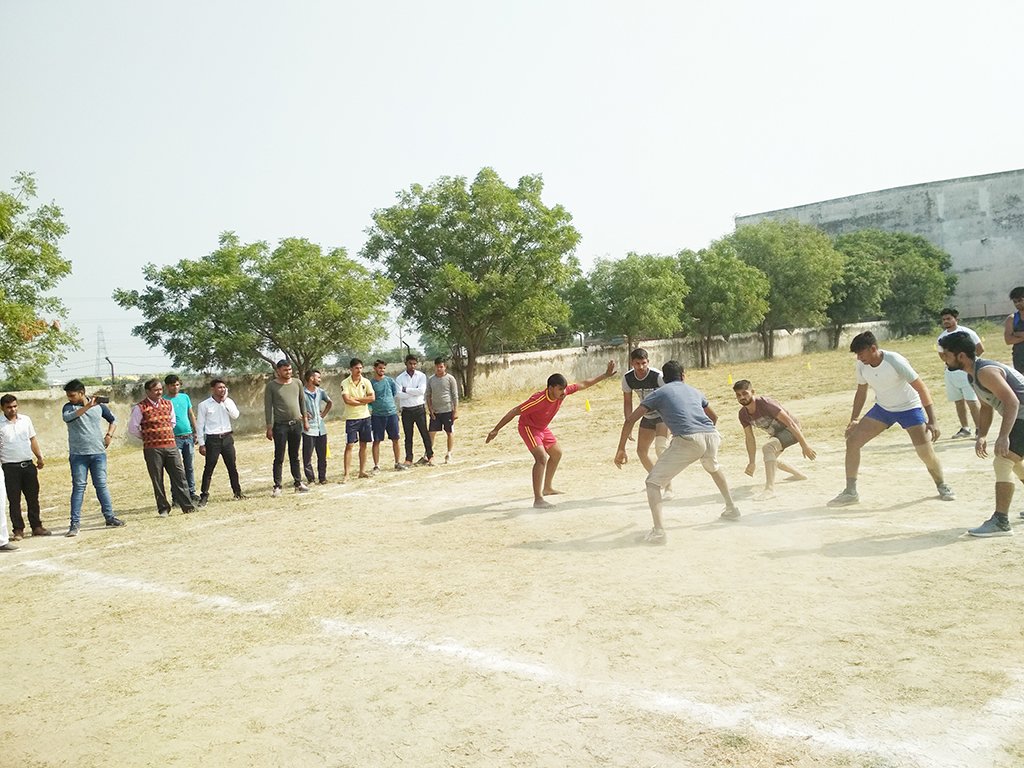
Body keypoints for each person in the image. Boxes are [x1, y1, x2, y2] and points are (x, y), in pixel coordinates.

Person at [615, 360, 740, 544]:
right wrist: (703, 436)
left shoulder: (659, 393)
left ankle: (659, 532)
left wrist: (621, 448)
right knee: (712, 466)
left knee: (652, 483)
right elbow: (713, 416)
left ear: (664, 379)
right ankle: (731, 508)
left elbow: (630, 419)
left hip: (688, 438)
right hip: (712, 435)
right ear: (683, 376)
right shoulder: (695, 391)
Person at [828, 331, 955, 507]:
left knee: (925, 452)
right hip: (883, 408)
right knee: (852, 441)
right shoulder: (861, 365)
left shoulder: (895, 361)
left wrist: (932, 420)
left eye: (861, 353)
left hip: (909, 408)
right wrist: (854, 419)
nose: (858, 358)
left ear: (873, 348)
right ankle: (850, 492)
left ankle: (942, 485)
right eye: (856, 354)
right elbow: (861, 391)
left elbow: (921, 388)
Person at [486, 361, 616, 508]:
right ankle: (538, 499)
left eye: (564, 389)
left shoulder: (562, 393)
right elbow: (515, 411)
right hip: (529, 427)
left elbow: (583, 384)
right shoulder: (538, 399)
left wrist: (605, 375)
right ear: (550, 388)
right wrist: (496, 429)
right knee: (541, 458)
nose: (564, 392)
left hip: (542, 428)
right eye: (560, 389)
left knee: (556, 453)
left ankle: (547, 488)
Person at [939, 331, 1024, 537]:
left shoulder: (985, 372)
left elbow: (1012, 402)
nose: (944, 359)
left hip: (1022, 415)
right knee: (1014, 461)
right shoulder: (973, 374)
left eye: (946, 355)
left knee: (1003, 461)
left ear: (961, 356)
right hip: (1021, 416)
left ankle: (1001, 522)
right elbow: (986, 406)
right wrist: (982, 435)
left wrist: (1003, 436)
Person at [732, 379, 816, 500]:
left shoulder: (766, 404)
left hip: (792, 430)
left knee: (768, 448)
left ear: (753, 392)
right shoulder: (742, 414)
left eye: (745, 393)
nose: (742, 397)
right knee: (771, 459)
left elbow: (791, 424)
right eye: (738, 395)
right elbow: (749, 438)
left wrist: (804, 445)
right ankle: (799, 475)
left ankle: (769, 490)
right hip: (777, 434)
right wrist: (752, 462)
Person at [61, 379, 125, 536]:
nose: (70, 398)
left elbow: (113, 420)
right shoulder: (68, 407)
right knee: (79, 488)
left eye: (72, 395)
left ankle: (109, 517)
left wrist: (109, 435)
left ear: (81, 393)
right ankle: (74, 523)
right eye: (68, 395)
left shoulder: (99, 406)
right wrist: (87, 406)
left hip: (98, 453)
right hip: (78, 455)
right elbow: (68, 417)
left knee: (101, 485)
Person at [127, 379, 195, 516]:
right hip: (152, 449)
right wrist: (148, 437)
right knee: (157, 479)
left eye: (160, 389)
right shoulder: (140, 407)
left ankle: (187, 506)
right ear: (148, 392)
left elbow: (172, 422)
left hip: (171, 446)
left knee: (179, 476)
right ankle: (163, 508)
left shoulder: (168, 404)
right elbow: (133, 428)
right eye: (155, 390)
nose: (159, 392)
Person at [621, 348, 672, 496]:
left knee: (660, 448)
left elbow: (671, 395)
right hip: (647, 415)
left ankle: (669, 488)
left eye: (644, 363)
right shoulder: (628, 378)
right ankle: (658, 480)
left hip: (662, 415)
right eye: (637, 363)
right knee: (641, 452)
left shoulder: (658, 376)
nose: (641, 367)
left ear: (648, 362)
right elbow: (627, 402)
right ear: (632, 363)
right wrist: (629, 424)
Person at [0, 394, 50, 538]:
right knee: (14, 500)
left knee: (33, 498)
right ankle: (18, 529)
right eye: (9, 407)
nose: (13, 409)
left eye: (15, 406)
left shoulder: (25, 420)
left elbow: (32, 439)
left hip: (28, 465)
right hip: (9, 467)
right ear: (2, 408)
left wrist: (39, 457)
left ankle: (37, 526)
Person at [264, 359, 309, 497]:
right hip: (280, 426)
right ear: (278, 371)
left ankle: (298, 482)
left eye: (289, 369)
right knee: (279, 456)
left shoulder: (297, 383)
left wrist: (305, 420)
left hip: (296, 424)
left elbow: (302, 402)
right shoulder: (271, 386)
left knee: (294, 455)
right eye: (285, 370)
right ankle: (277, 486)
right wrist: (269, 426)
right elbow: (268, 407)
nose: (288, 372)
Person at [196, 378, 244, 505]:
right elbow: (200, 425)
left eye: (224, 387)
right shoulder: (204, 405)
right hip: (213, 439)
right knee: (209, 468)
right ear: (212, 389)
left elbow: (235, 415)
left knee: (232, 466)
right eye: (219, 387)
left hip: (227, 438)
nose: (222, 390)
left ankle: (237, 492)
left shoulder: (228, 402)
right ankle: (204, 495)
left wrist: (225, 402)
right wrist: (201, 443)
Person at [937, 308, 983, 438]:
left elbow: (980, 349)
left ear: (956, 319)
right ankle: (965, 428)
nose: (946, 321)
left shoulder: (967, 333)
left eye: (949, 318)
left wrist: (967, 363)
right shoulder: (941, 337)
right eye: (944, 319)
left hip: (966, 372)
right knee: (958, 401)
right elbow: (942, 355)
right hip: (951, 373)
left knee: (971, 401)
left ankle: (980, 429)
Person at [163, 374, 200, 502]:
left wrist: (196, 432)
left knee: (189, 467)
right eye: (172, 385)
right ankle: (177, 496)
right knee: (176, 469)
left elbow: (191, 414)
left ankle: (191, 492)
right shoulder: (164, 401)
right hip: (173, 438)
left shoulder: (185, 397)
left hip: (188, 436)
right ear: (167, 386)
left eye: (177, 385)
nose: (175, 387)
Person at [340, 358, 375, 482]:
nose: (359, 370)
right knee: (349, 445)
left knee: (364, 444)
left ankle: (362, 471)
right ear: (351, 369)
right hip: (352, 418)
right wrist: (363, 400)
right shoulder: (345, 382)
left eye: (360, 368)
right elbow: (347, 400)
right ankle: (347, 474)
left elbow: (372, 398)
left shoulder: (366, 382)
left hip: (365, 417)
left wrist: (356, 399)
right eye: (356, 368)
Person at [396, 354, 432, 466]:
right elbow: (399, 394)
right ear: (405, 363)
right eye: (410, 363)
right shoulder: (399, 378)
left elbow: (421, 391)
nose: (412, 366)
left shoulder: (421, 376)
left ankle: (430, 455)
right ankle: (409, 458)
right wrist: (413, 392)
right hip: (406, 410)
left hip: (419, 408)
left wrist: (405, 389)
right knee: (408, 436)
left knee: (424, 433)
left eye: (414, 364)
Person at [370, 360, 406, 472]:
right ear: (375, 368)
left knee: (395, 439)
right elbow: (369, 399)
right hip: (377, 415)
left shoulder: (390, 381)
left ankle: (397, 462)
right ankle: (376, 465)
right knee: (376, 440)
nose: (382, 370)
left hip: (391, 414)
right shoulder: (371, 383)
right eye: (380, 368)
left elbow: (394, 393)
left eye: (384, 368)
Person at [301, 369, 332, 484]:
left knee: (322, 455)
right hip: (309, 429)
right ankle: (311, 478)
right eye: (318, 377)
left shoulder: (320, 392)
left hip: (321, 429)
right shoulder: (302, 393)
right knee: (307, 456)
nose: (320, 379)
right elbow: (296, 407)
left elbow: (329, 402)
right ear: (311, 378)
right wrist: (302, 417)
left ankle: (322, 478)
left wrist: (323, 414)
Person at [427, 358, 459, 464]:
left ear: (445, 367)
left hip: (448, 410)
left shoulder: (450, 379)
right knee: (431, 433)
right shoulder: (431, 379)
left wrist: (455, 410)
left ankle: (449, 453)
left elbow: (455, 395)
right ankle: (429, 454)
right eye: (437, 367)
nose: (439, 369)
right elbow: (428, 395)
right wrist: (430, 409)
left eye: (441, 366)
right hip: (435, 411)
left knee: (449, 432)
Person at [1003, 286, 1024, 375]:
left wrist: (1017, 334)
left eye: (1020, 300)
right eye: (1015, 302)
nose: (1017, 304)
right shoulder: (1011, 319)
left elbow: (1012, 337)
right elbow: (1008, 340)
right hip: (1020, 359)